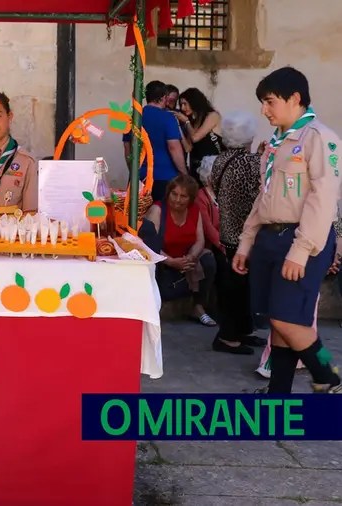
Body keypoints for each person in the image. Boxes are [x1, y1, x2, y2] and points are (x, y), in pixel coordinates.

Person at [233, 66, 342, 394]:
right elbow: (263, 199)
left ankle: (328, 373)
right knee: (276, 319)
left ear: (295, 99)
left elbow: (323, 201)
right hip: (270, 237)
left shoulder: (320, 139)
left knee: (289, 320)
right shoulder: (279, 142)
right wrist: (245, 242)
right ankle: (278, 393)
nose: (264, 110)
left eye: (269, 102)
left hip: (300, 239)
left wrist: (302, 248)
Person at [207, 111, 266, 355]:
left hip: (228, 230)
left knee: (236, 286)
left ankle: (241, 331)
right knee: (238, 289)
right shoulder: (251, 162)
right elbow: (260, 190)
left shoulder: (221, 159)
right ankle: (228, 337)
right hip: (244, 234)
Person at [146, 174, 217, 326]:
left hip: (185, 259)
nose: (177, 200)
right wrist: (171, 261)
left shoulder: (194, 210)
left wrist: (191, 256)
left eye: (183, 196)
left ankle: (198, 307)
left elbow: (200, 240)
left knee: (207, 259)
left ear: (191, 199)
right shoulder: (157, 211)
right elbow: (149, 246)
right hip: (163, 260)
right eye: (174, 194)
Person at [123, 81, 188, 202]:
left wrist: (134, 171)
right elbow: (174, 148)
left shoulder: (132, 117)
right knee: (161, 216)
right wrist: (184, 174)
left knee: (138, 217)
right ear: (164, 97)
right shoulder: (168, 118)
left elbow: (127, 148)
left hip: (139, 177)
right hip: (164, 177)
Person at [176, 88, 224, 186]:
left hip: (212, 169)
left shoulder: (212, 116)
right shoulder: (193, 122)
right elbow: (188, 147)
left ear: (194, 102)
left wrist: (186, 122)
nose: (182, 108)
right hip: (197, 169)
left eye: (185, 104)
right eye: (181, 105)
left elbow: (195, 138)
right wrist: (177, 126)